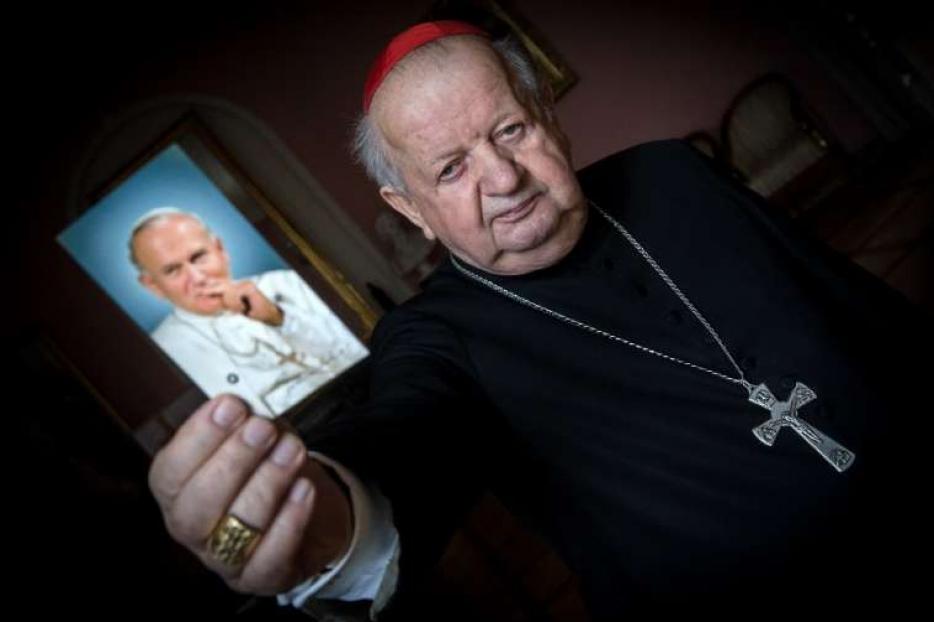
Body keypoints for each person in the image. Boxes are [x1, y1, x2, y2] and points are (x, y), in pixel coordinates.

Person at [147, 21, 932, 620]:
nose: (503, 179)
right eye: (450, 169)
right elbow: (406, 434)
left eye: (510, 131)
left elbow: (842, 300)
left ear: (548, 120)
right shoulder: (436, 339)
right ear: (409, 209)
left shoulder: (671, 173)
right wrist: (326, 521)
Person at [131, 207, 368, 416]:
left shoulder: (286, 283)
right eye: (173, 270)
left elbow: (356, 351)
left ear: (220, 250)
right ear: (152, 285)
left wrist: (278, 317)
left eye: (199, 257)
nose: (197, 278)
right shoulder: (166, 346)